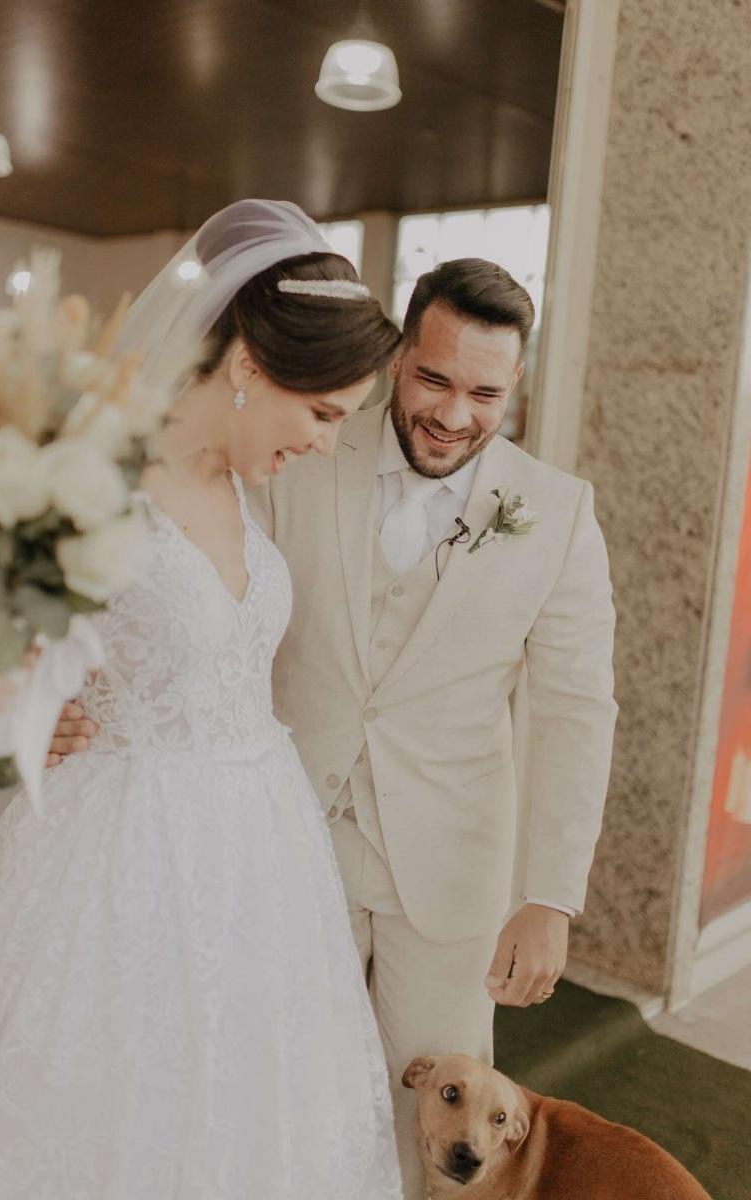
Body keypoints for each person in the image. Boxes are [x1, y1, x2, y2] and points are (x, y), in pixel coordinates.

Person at [49, 256, 618, 1199]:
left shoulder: (558, 514)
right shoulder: (299, 442)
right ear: (399, 360)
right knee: (274, 1091)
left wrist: (552, 895)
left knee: (436, 1114)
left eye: (485, 391)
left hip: (448, 870)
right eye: (434, 378)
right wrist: (74, 688)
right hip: (276, 842)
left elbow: (575, 709)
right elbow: (185, 577)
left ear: (516, 384)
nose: (453, 413)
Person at [0, 200, 403, 1199]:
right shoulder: (92, 479)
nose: (328, 442)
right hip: (120, 856)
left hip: (260, 863)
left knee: (252, 1119)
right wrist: (16, 711)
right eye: (322, 411)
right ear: (247, 367)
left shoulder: (246, 487)